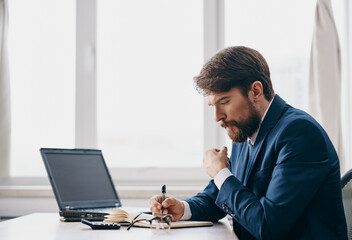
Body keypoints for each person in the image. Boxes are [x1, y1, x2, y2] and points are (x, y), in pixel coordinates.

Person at [149, 46, 348, 239]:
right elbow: (220, 197)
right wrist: (182, 209)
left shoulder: (300, 134)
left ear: (255, 91)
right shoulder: (245, 131)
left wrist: (220, 173)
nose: (217, 117)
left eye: (225, 102)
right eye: (213, 106)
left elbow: (267, 225)